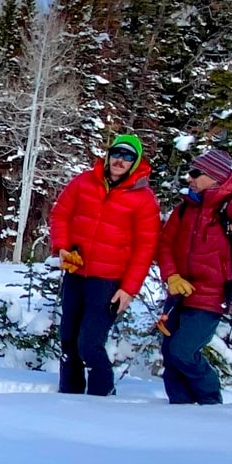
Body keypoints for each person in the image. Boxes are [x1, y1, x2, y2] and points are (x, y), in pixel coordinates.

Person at [49, 134, 160, 397]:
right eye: (117, 154)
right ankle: (69, 394)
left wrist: (129, 289)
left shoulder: (143, 198)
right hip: (77, 273)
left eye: (128, 156)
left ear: (135, 163)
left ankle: (101, 395)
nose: (120, 160)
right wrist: (63, 247)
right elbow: (60, 214)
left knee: (89, 343)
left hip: (108, 281)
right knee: (68, 339)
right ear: (108, 155)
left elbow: (145, 249)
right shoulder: (84, 182)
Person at [156, 147, 232, 406]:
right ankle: (179, 408)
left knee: (183, 350)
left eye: (196, 173)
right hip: (178, 293)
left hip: (211, 296)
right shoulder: (184, 209)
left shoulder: (228, 209)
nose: (189, 178)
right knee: (169, 352)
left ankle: (210, 403)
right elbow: (165, 245)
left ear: (215, 177)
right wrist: (172, 276)